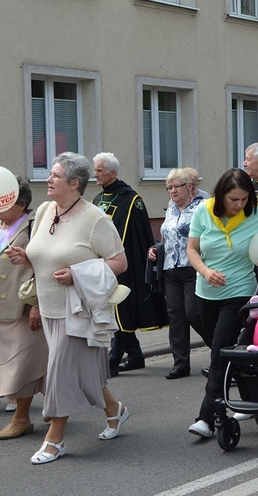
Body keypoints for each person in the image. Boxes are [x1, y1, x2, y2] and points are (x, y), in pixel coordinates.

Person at [6, 152, 130, 464]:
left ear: (74, 184)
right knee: (82, 369)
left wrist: (78, 273)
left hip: (77, 311)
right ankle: (115, 410)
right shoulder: (47, 210)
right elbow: (43, 255)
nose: (48, 179)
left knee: (61, 372)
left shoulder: (95, 219)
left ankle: (55, 438)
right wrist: (25, 257)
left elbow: (119, 262)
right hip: (48, 309)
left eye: (55, 176)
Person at [186, 168, 258, 438]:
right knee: (229, 350)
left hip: (240, 292)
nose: (239, 205)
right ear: (221, 196)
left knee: (219, 352)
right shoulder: (203, 211)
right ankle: (252, 396)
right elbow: (192, 250)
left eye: (243, 199)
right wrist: (205, 271)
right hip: (205, 292)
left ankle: (208, 416)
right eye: (233, 200)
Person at [92, 152, 167, 376]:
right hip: (101, 264)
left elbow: (142, 237)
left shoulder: (132, 200)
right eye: (95, 170)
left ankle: (113, 359)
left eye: (99, 170)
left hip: (127, 265)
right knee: (113, 310)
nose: (94, 174)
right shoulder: (97, 199)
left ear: (112, 173)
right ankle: (134, 355)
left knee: (123, 309)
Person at [0, 177, 48, 440]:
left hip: (24, 306)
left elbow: (44, 266)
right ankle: (56, 406)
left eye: (3, 201)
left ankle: (22, 418)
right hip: (1, 308)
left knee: (23, 365)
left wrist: (37, 305)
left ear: (21, 204)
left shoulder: (33, 229)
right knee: (9, 365)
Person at [148, 169, 211, 380]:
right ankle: (180, 364)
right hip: (170, 269)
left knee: (193, 313)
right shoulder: (171, 210)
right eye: (169, 187)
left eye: (177, 186)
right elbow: (168, 236)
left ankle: (220, 348)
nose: (173, 191)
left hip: (193, 268)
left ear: (189, 187)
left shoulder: (201, 207)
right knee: (175, 317)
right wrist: (156, 249)